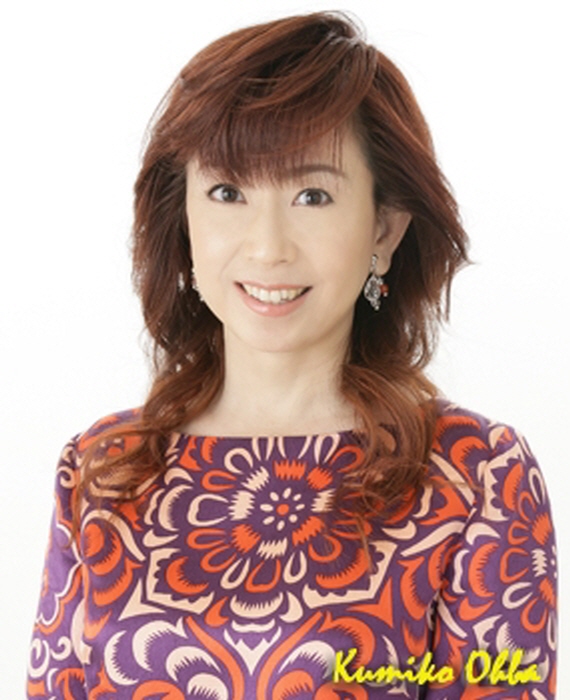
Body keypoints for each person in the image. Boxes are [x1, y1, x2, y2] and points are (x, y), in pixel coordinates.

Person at [26, 11, 557, 699]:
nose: (267, 247)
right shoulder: (102, 470)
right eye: (227, 192)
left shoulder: (475, 475)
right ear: (182, 220)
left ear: (384, 230)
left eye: (312, 195)